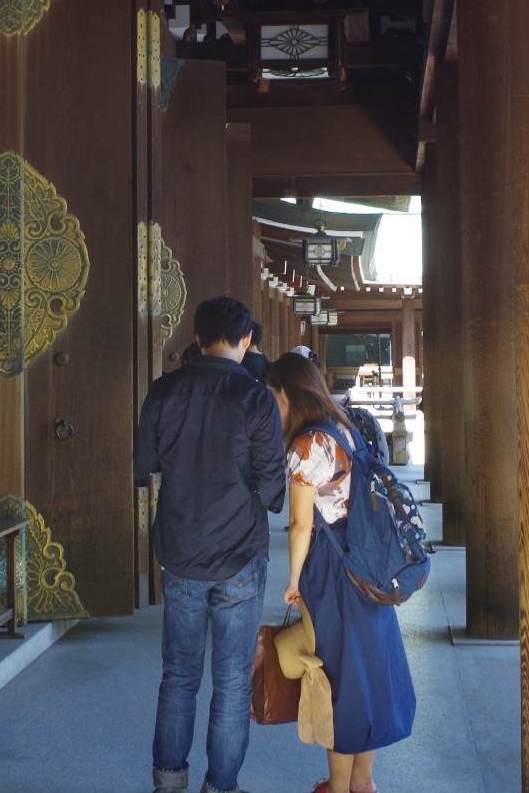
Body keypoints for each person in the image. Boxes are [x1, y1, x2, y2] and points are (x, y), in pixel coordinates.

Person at [135, 295, 288, 793]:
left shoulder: (164, 391)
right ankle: (221, 786)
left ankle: (168, 781)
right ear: (246, 341)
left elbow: (144, 467)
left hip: (180, 549)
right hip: (240, 552)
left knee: (179, 674)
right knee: (231, 680)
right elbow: (272, 488)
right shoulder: (256, 398)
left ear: (198, 338)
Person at [264, 352, 414, 793]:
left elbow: (300, 525)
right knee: (366, 673)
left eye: (273, 397)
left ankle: (337, 784)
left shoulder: (305, 446)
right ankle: (362, 782)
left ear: (288, 394)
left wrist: (292, 581)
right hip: (365, 563)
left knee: (339, 678)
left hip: (332, 572)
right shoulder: (345, 429)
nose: (271, 407)